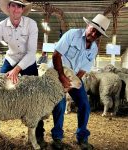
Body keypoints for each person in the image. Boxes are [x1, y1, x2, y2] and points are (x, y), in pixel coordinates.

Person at [0, 0, 46, 148]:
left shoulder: (31, 24)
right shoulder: (1, 26)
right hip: (10, 59)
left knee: (36, 98)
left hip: (28, 61)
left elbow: (31, 52)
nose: (16, 9)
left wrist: (17, 70)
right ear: (8, 8)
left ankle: (38, 133)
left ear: (23, 9)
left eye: (19, 6)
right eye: (13, 5)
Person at [51, 14, 110, 150]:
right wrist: (61, 77)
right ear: (88, 25)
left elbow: (83, 70)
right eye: (93, 29)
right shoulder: (72, 35)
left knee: (84, 104)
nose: (94, 33)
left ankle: (82, 137)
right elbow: (56, 55)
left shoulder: (94, 49)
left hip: (74, 78)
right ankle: (57, 137)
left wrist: (71, 84)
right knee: (60, 105)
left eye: (98, 33)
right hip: (58, 73)